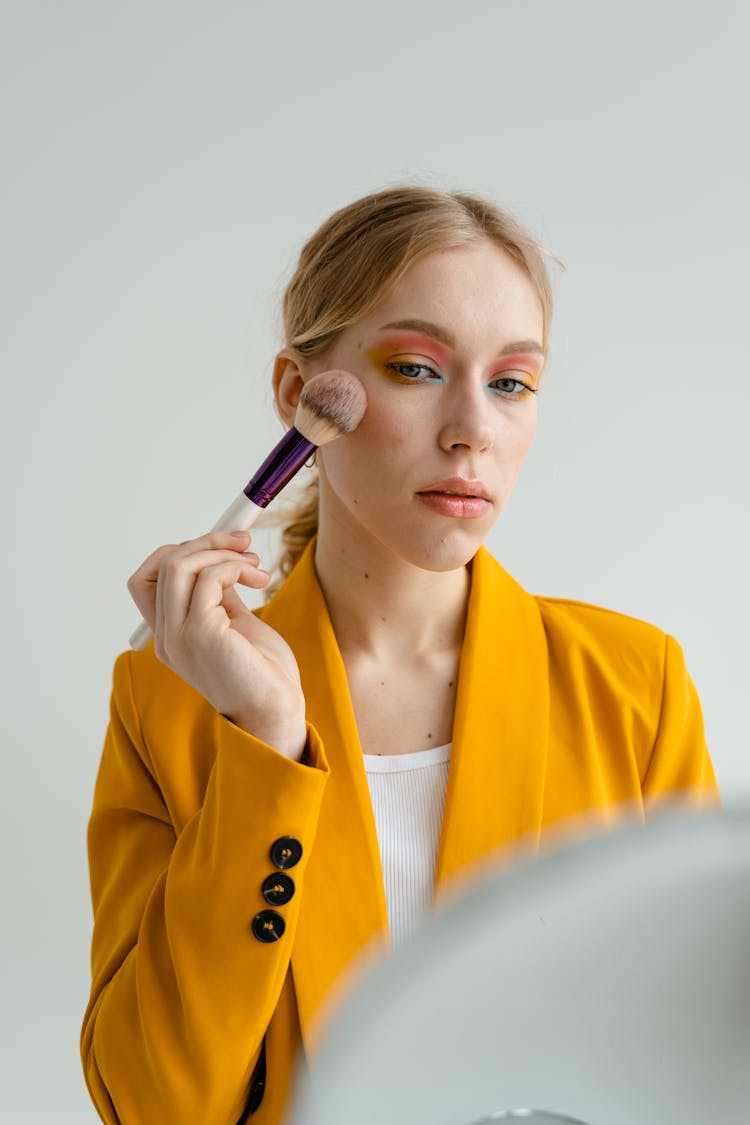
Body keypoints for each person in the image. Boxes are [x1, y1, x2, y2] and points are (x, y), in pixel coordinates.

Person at [81, 186, 719, 1125]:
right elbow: (157, 1105)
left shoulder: (632, 684)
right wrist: (267, 745)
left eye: (511, 382)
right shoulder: (168, 699)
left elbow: (696, 1058)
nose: (472, 429)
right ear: (299, 397)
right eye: (417, 368)